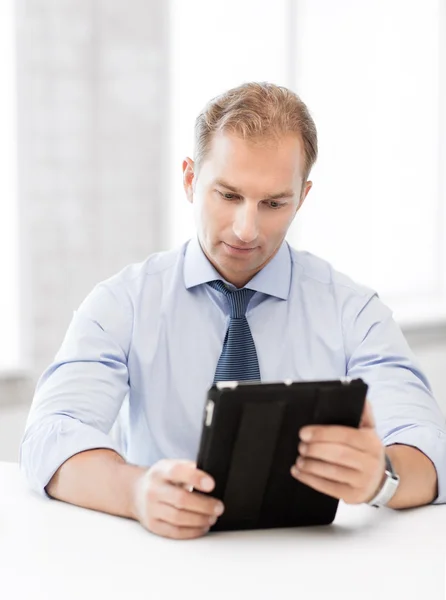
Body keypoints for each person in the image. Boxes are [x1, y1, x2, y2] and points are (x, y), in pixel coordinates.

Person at [21, 82, 446, 540]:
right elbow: (50, 436)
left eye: (273, 203)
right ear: (190, 180)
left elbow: (430, 449)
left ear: (301, 198)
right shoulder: (123, 302)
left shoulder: (354, 311)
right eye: (227, 195)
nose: (246, 229)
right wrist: (136, 491)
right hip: (166, 560)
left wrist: (383, 474)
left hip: (312, 565)